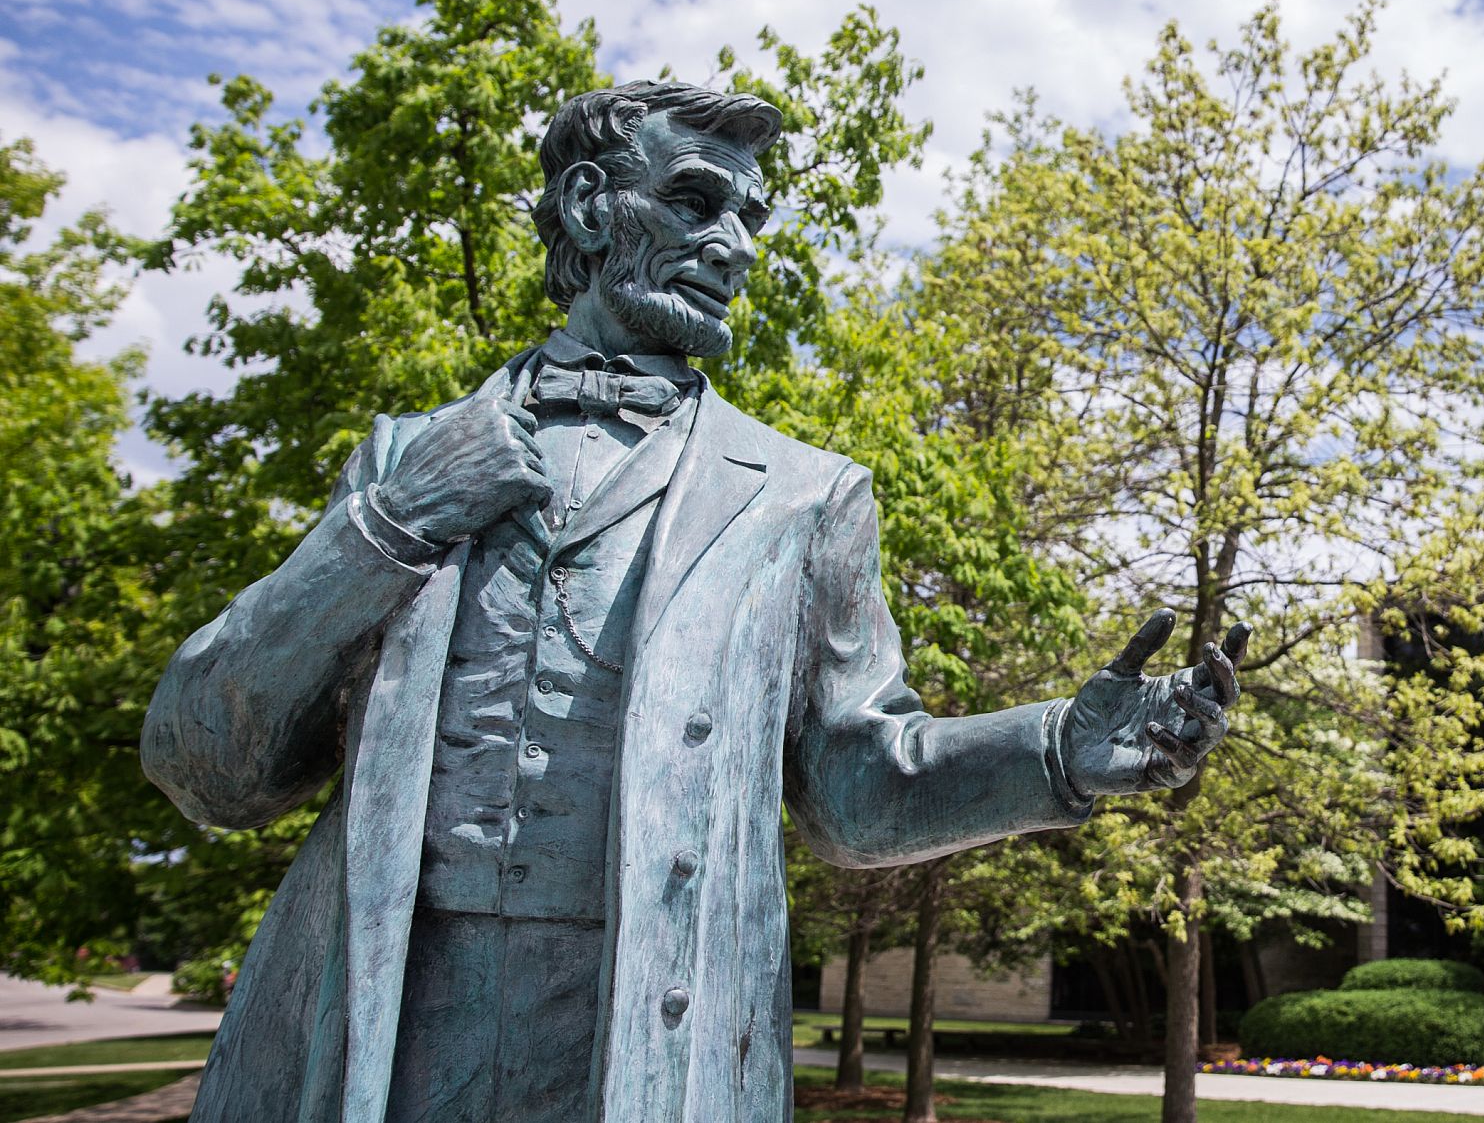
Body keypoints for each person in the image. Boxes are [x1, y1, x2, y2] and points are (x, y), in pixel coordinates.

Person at [141, 80, 1245, 1123]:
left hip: (647, 1023)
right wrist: (390, 523)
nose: (736, 245)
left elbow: (854, 789)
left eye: (749, 215)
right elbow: (211, 769)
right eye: (694, 200)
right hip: (382, 1018)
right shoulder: (401, 456)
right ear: (587, 204)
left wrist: (1054, 750)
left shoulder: (806, 497)